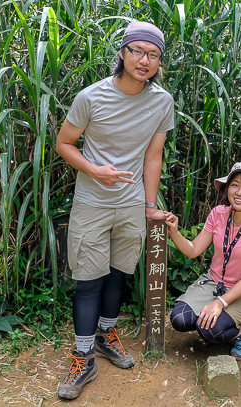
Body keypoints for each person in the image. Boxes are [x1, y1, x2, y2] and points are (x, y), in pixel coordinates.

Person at [55, 20, 174, 400]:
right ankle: (83, 355)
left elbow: (153, 156)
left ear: (159, 62)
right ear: (122, 53)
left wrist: (150, 205)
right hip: (92, 202)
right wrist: (94, 170)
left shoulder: (161, 102)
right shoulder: (91, 97)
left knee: (119, 274)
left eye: (153, 54)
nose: (144, 60)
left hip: (131, 204)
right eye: (137, 50)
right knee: (88, 280)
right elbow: (64, 143)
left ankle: (107, 334)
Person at [164, 161, 241, 361]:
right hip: (214, 282)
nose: (239, 192)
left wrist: (220, 303)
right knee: (179, 319)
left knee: (210, 330)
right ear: (227, 188)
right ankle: (218, 320)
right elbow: (193, 250)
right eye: (235, 185)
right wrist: (174, 232)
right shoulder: (218, 213)